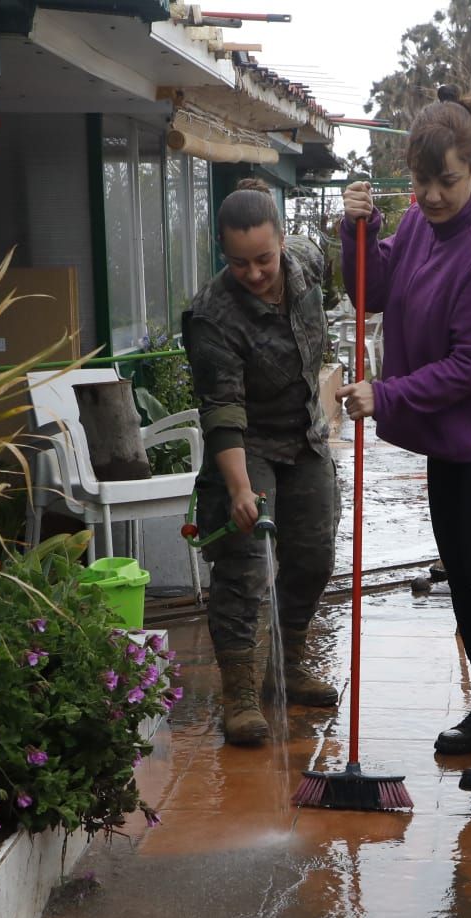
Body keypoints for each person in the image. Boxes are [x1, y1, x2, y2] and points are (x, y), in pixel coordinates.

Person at [339, 86, 471, 793]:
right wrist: (357, 235)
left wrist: (387, 394)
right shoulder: (424, 223)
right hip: (456, 441)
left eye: (446, 182)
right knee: (463, 578)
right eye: (419, 183)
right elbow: (375, 290)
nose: (430, 196)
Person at [187, 177, 339, 746]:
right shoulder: (213, 317)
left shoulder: (304, 262)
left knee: (314, 555)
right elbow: (222, 410)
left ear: (282, 239)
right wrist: (239, 489)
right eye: (239, 262)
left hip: (305, 436)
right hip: (246, 444)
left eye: (263, 259)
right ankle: (240, 692)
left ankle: (289, 663)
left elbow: (340, 251)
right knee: (244, 567)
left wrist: (356, 224)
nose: (254, 273)